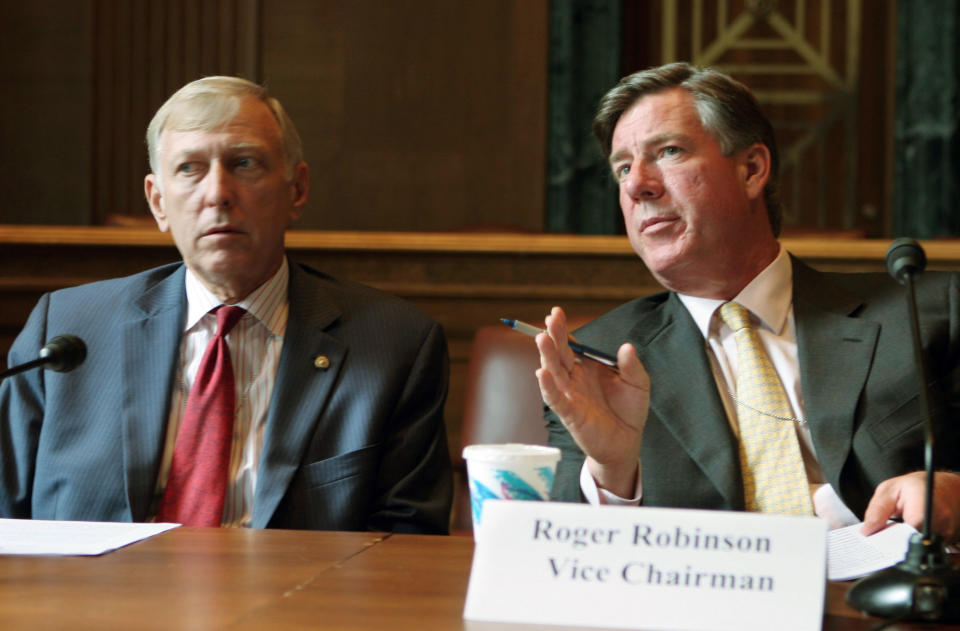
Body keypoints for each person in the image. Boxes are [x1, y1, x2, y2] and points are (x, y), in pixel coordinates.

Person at [0, 76, 452, 533]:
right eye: (190, 169)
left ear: (296, 189)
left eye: (244, 163)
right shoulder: (67, 332)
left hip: (295, 599)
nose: (217, 193)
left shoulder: (395, 345)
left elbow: (405, 542)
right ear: (158, 202)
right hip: (97, 599)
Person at [536, 62, 960, 540]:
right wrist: (612, 472)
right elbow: (564, 551)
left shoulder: (924, 309)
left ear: (752, 170)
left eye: (669, 151)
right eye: (623, 168)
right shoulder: (599, 357)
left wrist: (954, 491)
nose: (637, 186)